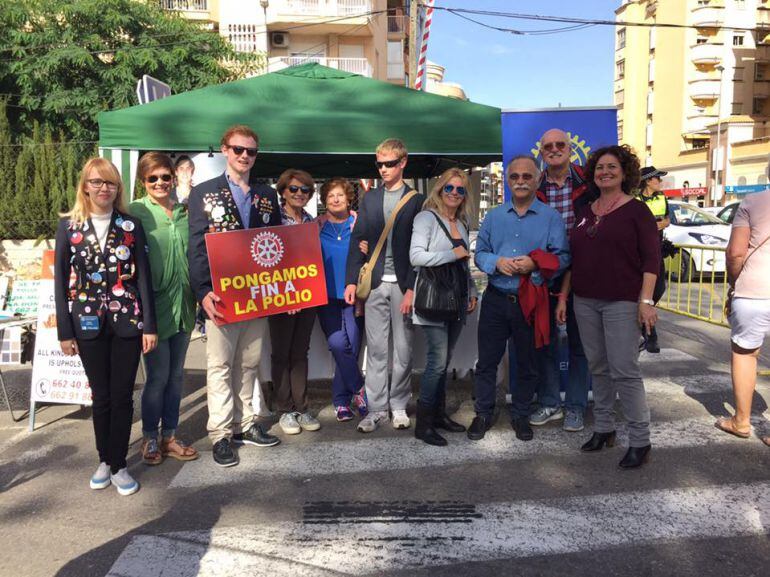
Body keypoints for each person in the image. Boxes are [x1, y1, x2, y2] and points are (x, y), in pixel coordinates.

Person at [54, 157, 158, 496]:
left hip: (128, 320)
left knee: (123, 395)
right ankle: (105, 459)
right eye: (97, 182)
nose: (104, 188)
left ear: (118, 188)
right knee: (100, 395)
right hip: (86, 322)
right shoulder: (69, 226)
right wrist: (65, 332)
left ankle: (120, 464)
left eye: (110, 183)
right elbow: (59, 283)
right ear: (85, 186)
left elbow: (142, 276)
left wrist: (149, 326)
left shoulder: (130, 225)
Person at [558, 144, 659, 469]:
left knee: (624, 371)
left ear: (624, 172)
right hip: (584, 300)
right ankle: (604, 429)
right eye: (600, 168)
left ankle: (640, 441)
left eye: (612, 167)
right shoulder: (587, 210)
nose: (605, 172)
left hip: (622, 302)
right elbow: (576, 259)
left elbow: (652, 261)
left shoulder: (637, 211)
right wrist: (564, 296)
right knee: (597, 367)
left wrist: (645, 302)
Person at [188, 124, 282, 468]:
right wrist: (203, 292)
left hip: (257, 296)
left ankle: (245, 425)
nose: (244, 156)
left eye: (251, 151)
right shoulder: (203, 193)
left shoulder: (266, 194)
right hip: (222, 296)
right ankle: (221, 434)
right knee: (220, 366)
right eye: (238, 149)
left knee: (249, 364)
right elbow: (196, 247)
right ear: (225, 150)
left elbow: (278, 245)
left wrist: (283, 292)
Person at [469, 155, 569, 442]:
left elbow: (563, 257)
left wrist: (536, 264)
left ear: (538, 180)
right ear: (508, 181)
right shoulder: (493, 217)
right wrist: (496, 262)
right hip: (497, 298)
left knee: (527, 361)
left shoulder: (551, 218)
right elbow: (480, 253)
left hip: (531, 301)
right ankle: (484, 412)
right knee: (487, 361)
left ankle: (521, 414)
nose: (521, 181)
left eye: (527, 176)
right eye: (515, 177)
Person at [344, 138, 425, 433]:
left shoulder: (417, 200)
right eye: (379, 164)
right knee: (377, 350)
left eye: (389, 163)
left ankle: (399, 404)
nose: (383, 169)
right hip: (376, 283)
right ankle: (377, 408)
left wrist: (413, 287)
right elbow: (357, 240)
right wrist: (351, 281)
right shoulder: (370, 198)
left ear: (403, 162)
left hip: (404, 284)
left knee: (403, 349)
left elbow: (421, 247)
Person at [129, 152, 198, 466]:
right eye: (152, 178)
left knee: (176, 376)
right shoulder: (134, 212)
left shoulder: (185, 212)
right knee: (157, 377)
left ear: (174, 178)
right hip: (153, 309)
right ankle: (150, 438)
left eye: (165, 177)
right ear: (143, 182)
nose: (159, 183)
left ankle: (170, 435)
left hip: (184, 306)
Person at [409, 168, 478, 446]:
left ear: (464, 196)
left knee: (444, 361)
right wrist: (451, 253)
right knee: (436, 363)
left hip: (457, 300)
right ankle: (423, 424)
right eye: (448, 188)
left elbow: (463, 264)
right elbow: (416, 256)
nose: (453, 193)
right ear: (439, 190)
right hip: (433, 300)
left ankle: (437, 415)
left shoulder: (461, 223)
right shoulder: (426, 218)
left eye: (460, 190)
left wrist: (471, 289)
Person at [530, 128, 592, 433]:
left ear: (570, 149)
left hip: (584, 273)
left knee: (580, 346)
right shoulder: (533, 185)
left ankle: (576, 407)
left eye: (560, 145)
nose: (554, 149)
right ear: (541, 152)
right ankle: (551, 402)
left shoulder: (588, 180)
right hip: (545, 274)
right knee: (545, 343)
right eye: (548, 146)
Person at [266, 169, 321, 435]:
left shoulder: (311, 220)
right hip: (281, 295)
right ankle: (285, 409)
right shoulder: (273, 218)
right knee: (281, 353)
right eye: (294, 189)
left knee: (300, 353)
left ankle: (302, 407)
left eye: (305, 190)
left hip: (308, 295)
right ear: (283, 191)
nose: (300, 194)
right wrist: (285, 296)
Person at [716, 188, 770, 446]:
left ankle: (741, 421)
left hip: (754, 291)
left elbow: (736, 253)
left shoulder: (753, 201)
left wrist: (734, 282)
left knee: (745, 354)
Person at [316, 178, 368, 422]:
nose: (335, 200)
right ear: (324, 201)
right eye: (330, 196)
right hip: (325, 297)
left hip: (353, 296)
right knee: (338, 345)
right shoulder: (316, 227)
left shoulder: (359, 224)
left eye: (339, 195)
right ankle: (360, 389)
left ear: (348, 199)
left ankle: (341, 402)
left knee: (353, 346)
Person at [637, 166, 671, 353]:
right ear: (648, 181)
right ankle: (650, 336)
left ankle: (642, 318)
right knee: (645, 294)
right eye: (657, 179)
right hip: (639, 253)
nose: (660, 182)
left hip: (657, 250)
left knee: (658, 289)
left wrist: (656, 225)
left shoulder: (662, 197)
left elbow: (667, 220)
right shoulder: (635, 199)